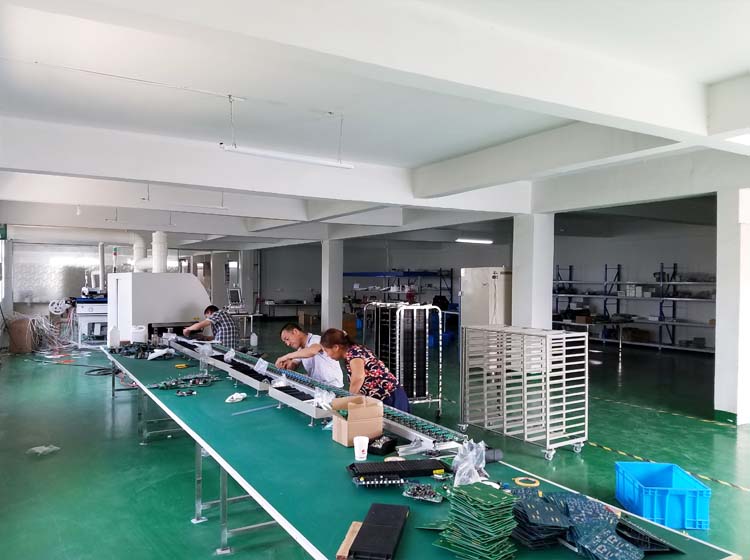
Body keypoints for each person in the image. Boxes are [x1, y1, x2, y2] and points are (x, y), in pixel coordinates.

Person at [282, 328, 410, 412]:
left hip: (391, 397)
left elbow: (358, 377)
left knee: (399, 431)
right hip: (380, 397)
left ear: (336, 347)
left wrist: (348, 400)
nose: (327, 355)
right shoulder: (351, 352)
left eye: (326, 351)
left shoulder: (354, 353)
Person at [274, 323, 344, 388]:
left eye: (287, 339)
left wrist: (286, 357)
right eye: (285, 342)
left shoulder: (317, 340)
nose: (288, 344)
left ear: (295, 331)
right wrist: (287, 365)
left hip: (333, 387)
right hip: (318, 386)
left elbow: (312, 351)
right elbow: (294, 363)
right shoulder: (301, 349)